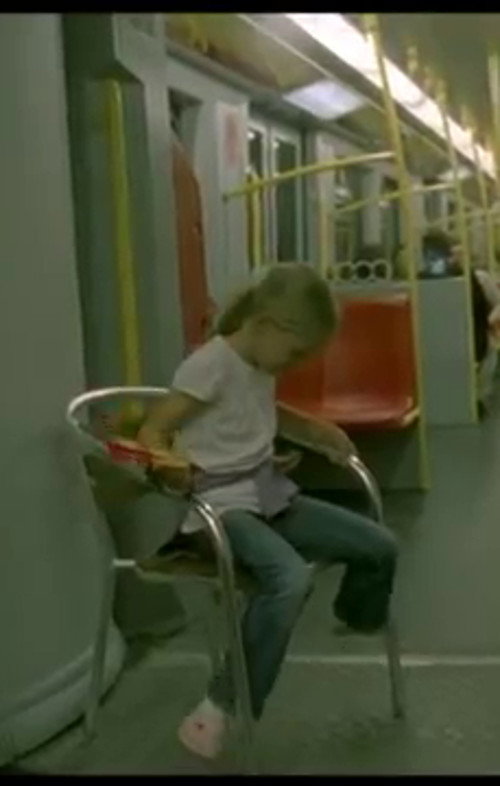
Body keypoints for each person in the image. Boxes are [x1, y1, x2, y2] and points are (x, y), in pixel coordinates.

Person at [133, 263, 398, 760]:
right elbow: (153, 431)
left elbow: (248, 417)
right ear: (270, 323)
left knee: (380, 544)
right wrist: (169, 465)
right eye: (296, 353)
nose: (294, 365)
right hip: (220, 507)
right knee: (289, 580)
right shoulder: (210, 365)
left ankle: (356, 616)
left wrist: (307, 435)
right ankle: (219, 706)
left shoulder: (260, 362)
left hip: (267, 495)